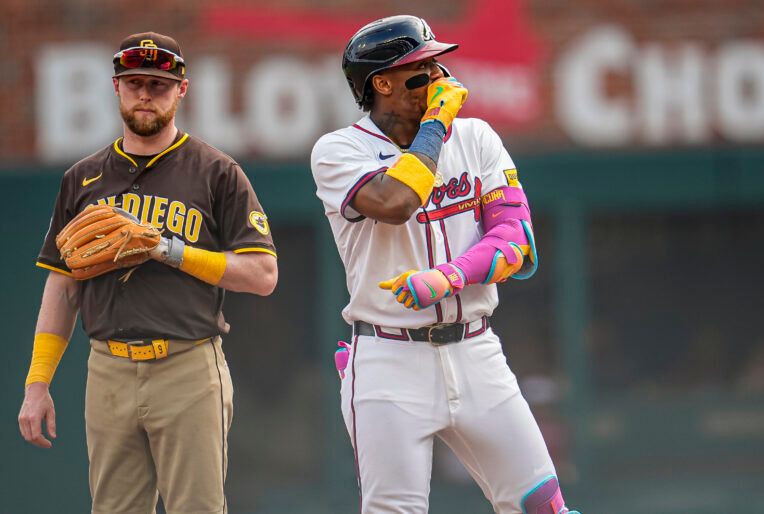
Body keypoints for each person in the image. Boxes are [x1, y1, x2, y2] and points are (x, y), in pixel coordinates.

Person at [311, 16, 580, 514]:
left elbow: (516, 239)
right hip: (389, 358)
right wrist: (435, 125)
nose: (439, 80)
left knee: (543, 506)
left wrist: (449, 277)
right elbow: (395, 200)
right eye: (420, 70)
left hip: (476, 350)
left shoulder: (476, 137)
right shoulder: (338, 150)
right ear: (382, 83)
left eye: (438, 64)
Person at [18, 32, 278, 514]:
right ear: (115, 87)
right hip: (107, 368)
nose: (145, 94)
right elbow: (61, 283)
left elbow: (263, 275)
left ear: (182, 90)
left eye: (158, 84)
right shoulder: (82, 178)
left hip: (187, 365)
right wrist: (38, 383)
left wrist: (169, 249)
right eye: (135, 82)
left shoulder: (216, 172)